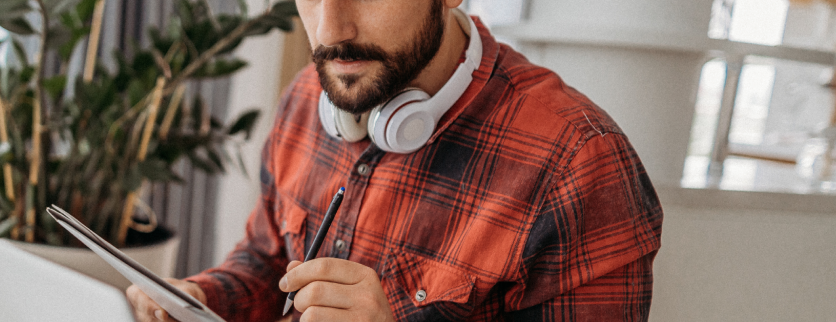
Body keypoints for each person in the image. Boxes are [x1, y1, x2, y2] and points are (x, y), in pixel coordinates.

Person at [127, 0, 663, 321]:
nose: (332, 31)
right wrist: (197, 298)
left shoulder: (580, 166)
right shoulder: (307, 99)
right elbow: (267, 265)